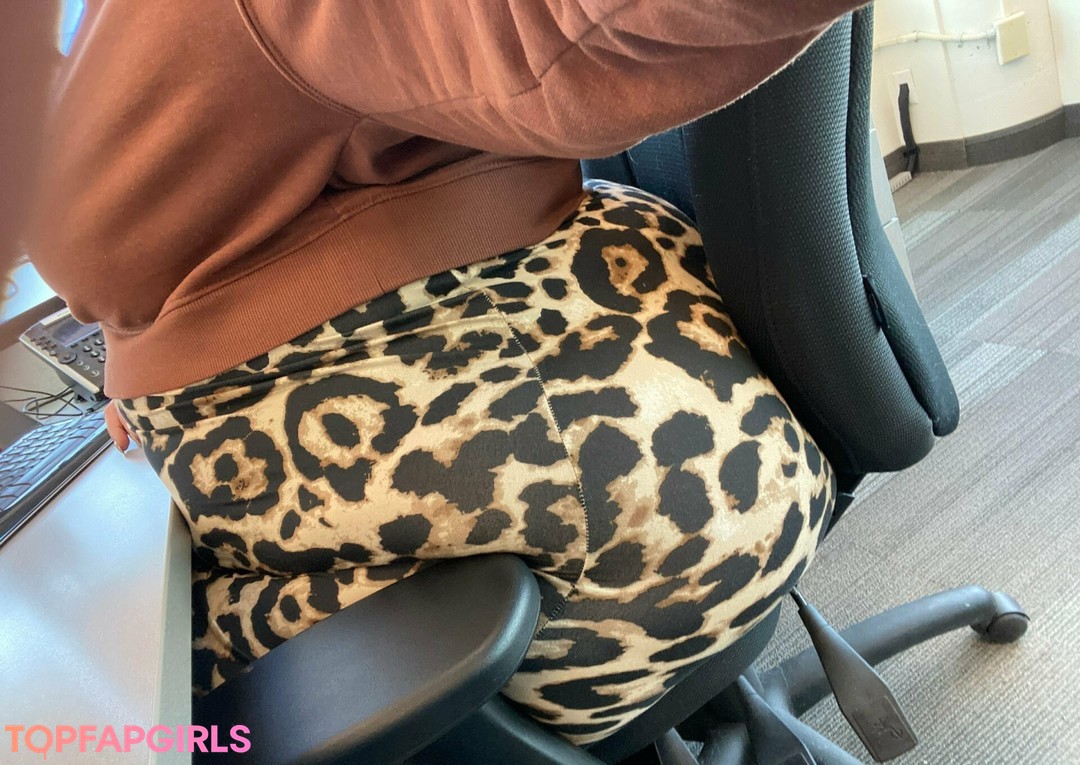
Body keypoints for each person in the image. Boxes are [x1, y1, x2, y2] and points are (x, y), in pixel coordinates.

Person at [27, 0, 863, 745]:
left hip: (620, 499)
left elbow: (550, 31)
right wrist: (151, 343)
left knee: (117, 710)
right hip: (605, 377)